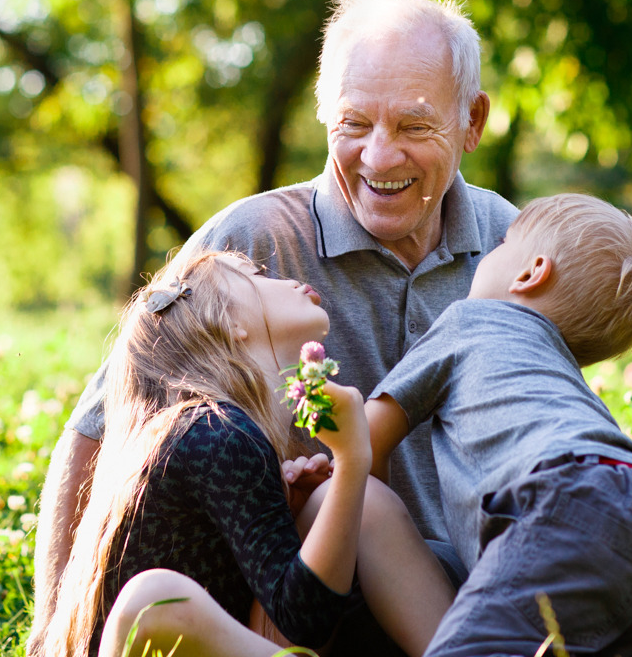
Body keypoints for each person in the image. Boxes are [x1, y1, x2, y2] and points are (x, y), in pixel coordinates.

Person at [30, 0, 632, 657]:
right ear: (321, 116)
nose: (379, 156)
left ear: (472, 121)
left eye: (414, 125)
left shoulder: (511, 238)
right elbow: (101, 433)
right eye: (353, 124)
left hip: (513, 541)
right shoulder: (252, 243)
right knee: (362, 501)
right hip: (350, 582)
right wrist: (49, 632)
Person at [39, 250, 455, 657]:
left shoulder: (215, 432)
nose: (284, 278)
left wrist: (306, 509)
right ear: (229, 321)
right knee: (154, 600)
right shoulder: (216, 432)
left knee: (357, 503)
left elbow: (300, 614)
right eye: (254, 274)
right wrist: (351, 460)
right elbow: (306, 620)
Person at [362, 193, 632, 656]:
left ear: (530, 272)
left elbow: (367, 438)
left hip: (570, 500)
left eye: (502, 244)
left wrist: (365, 515)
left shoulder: (471, 320)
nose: (489, 254)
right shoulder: (559, 371)